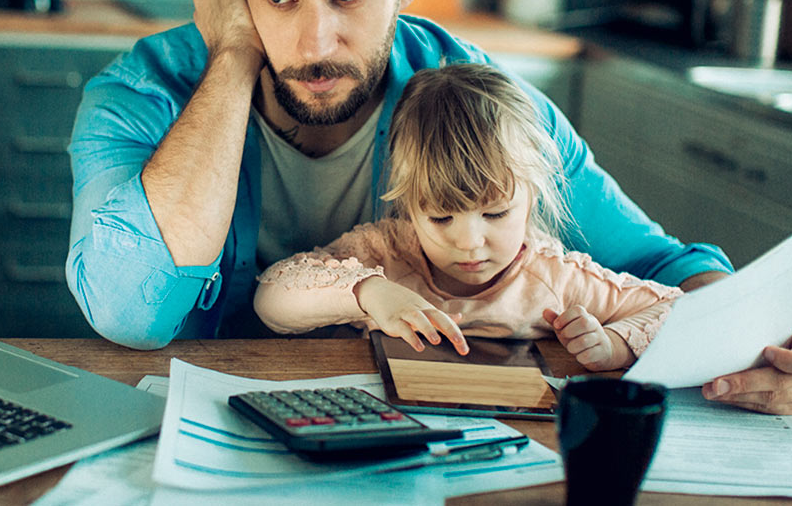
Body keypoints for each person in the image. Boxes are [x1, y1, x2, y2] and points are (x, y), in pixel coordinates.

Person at [65, 0, 792, 415]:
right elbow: (134, 313)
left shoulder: (480, 106)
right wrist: (231, 58)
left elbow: (660, 264)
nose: (314, 44)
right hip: (203, 429)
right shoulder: (145, 92)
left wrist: (747, 342)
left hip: (406, 434)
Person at [254, 64, 682, 372]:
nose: (470, 242)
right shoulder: (385, 252)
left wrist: (615, 345)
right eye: (441, 218)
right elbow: (270, 300)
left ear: (532, 196)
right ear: (408, 203)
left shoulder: (556, 278)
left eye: (495, 213)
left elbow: (677, 309)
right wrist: (369, 293)